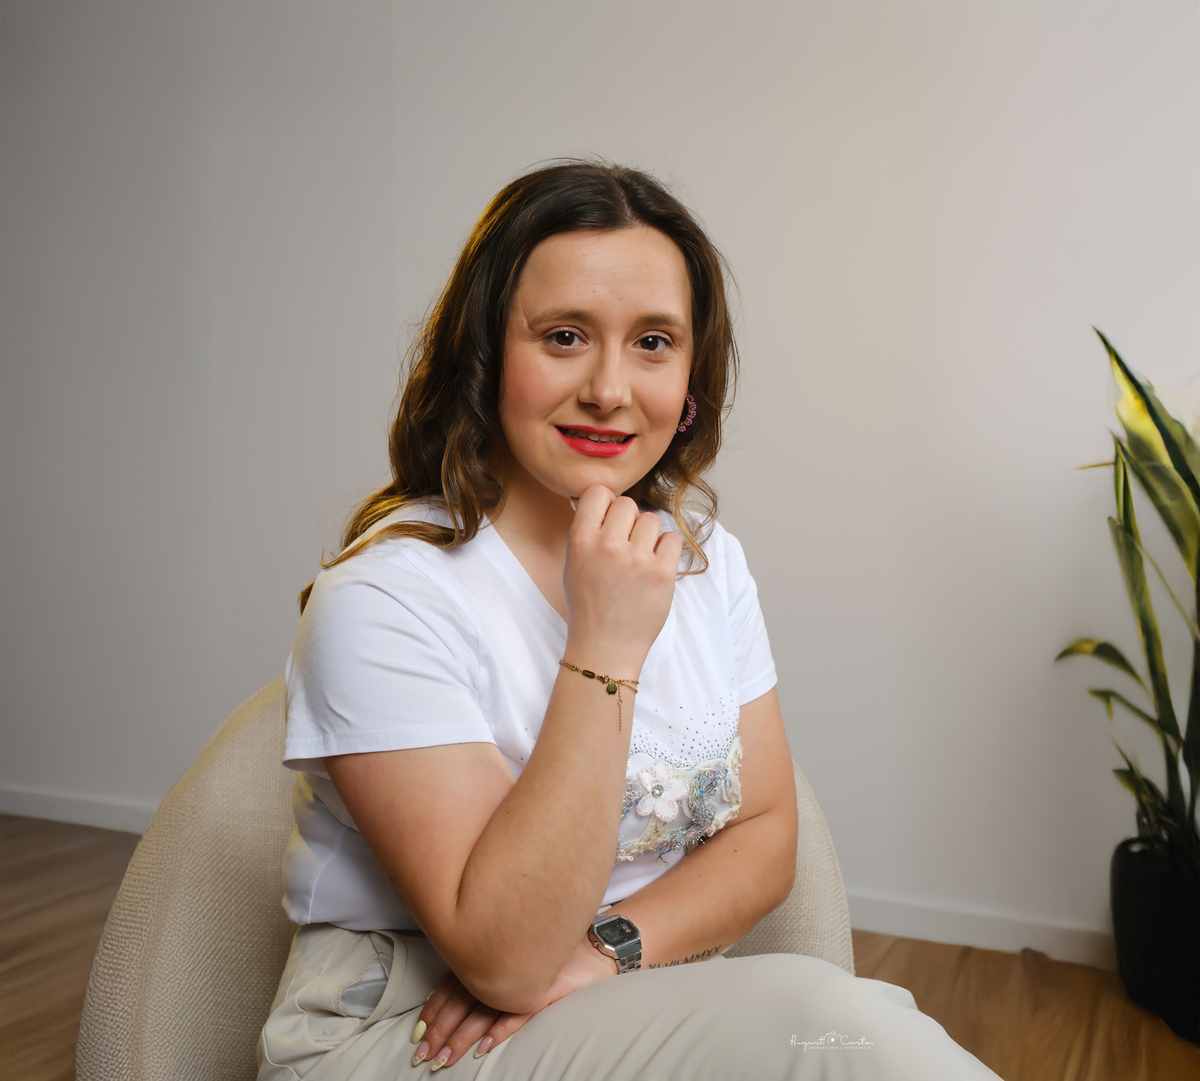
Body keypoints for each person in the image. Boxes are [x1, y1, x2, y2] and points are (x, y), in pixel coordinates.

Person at [258, 161, 999, 1079]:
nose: (610, 388)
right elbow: (504, 958)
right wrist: (605, 643)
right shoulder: (381, 601)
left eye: (653, 342)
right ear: (485, 356)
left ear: (691, 377)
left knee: (839, 1035)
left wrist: (605, 952)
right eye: (565, 336)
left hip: (630, 987)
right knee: (836, 1030)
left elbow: (768, 833)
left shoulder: (706, 559)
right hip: (416, 1028)